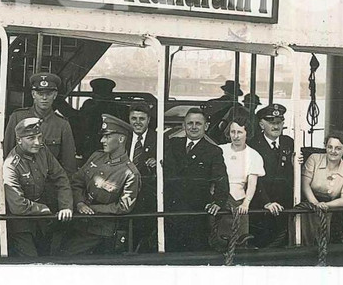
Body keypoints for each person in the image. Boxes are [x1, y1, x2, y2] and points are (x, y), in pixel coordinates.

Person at [65, 114, 140, 255]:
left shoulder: (130, 173)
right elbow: (77, 181)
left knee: (67, 255)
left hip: (101, 231)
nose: (102, 140)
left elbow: (123, 207)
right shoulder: (97, 156)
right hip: (78, 222)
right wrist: (80, 203)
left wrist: (92, 209)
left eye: (107, 137)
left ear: (121, 139)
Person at [2, 117, 74, 257]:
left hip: (41, 221)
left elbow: (61, 178)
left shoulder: (43, 151)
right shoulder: (11, 165)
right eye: (31, 138)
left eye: (40, 137)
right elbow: (17, 206)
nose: (37, 142)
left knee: (49, 256)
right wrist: (44, 209)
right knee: (31, 259)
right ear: (19, 140)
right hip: (20, 223)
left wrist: (65, 206)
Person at [163, 108, 228, 252]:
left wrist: (218, 202)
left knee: (195, 253)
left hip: (196, 213)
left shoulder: (213, 151)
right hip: (170, 211)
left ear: (206, 126)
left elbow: (221, 179)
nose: (193, 127)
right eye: (190, 123)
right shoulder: (172, 144)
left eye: (198, 123)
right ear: (183, 125)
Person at [3, 72, 77, 173]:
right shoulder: (17, 118)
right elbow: (7, 156)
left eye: (49, 94)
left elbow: (69, 164)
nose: (44, 98)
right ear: (33, 94)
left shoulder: (62, 125)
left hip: (50, 180)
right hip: (21, 179)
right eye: (40, 94)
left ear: (55, 95)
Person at [211, 116, 264, 250]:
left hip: (239, 202)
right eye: (232, 132)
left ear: (247, 133)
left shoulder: (253, 155)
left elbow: (252, 183)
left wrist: (246, 203)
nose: (235, 136)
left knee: (240, 242)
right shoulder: (220, 150)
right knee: (218, 241)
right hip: (220, 201)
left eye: (239, 132)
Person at [247, 103, 296, 248]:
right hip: (262, 206)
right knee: (262, 244)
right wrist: (266, 202)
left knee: (285, 245)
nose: (276, 126)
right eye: (271, 123)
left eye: (279, 122)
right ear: (262, 124)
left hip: (285, 206)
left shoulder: (289, 143)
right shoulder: (253, 145)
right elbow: (253, 178)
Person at [301, 133, 343, 245]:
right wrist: (316, 204)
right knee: (304, 241)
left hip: (330, 211)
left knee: (324, 244)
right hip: (308, 208)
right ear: (325, 146)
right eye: (330, 147)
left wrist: (325, 205)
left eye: (338, 148)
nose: (333, 151)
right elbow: (305, 184)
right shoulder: (314, 159)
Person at [127, 103, 158, 251]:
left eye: (142, 118)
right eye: (134, 118)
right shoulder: (122, 138)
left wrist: (157, 163)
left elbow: (169, 165)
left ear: (149, 120)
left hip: (147, 198)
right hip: (123, 195)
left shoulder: (158, 140)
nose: (137, 122)